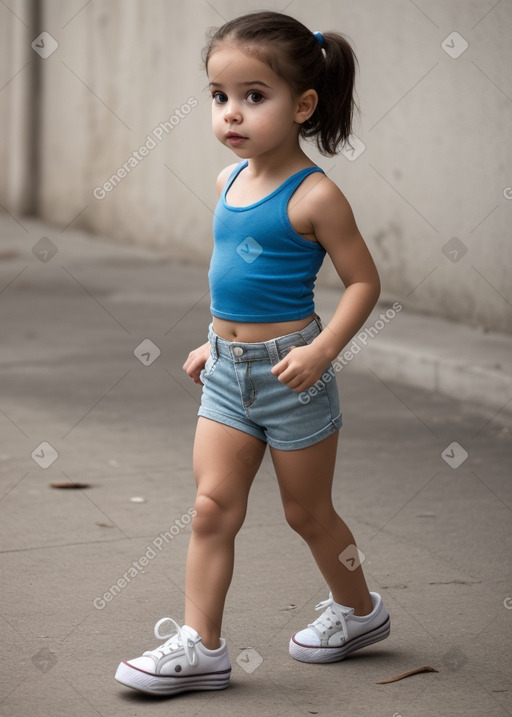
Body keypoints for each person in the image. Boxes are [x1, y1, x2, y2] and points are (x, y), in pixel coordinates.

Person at [115, 10, 390, 696]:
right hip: (226, 374)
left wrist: (323, 350)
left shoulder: (316, 195)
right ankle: (201, 643)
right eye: (219, 96)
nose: (231, 113)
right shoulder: (225, 183)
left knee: (308, 514)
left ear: (302, 105)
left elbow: (364, 282)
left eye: (253, 96)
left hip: (293, 375)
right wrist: (214, 342)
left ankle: (360, 611)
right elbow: (234, 275)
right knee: (211, 507)